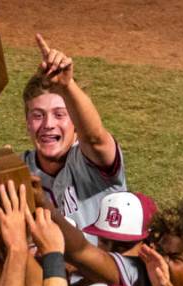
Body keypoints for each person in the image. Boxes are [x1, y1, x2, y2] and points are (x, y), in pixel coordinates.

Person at [22, 34, 126, 230]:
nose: (48, 124)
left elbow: (94, 139)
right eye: (37, 115)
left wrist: (67, 86)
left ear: (76, 123)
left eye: (60, 114)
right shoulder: (19, 170)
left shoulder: (94, 164)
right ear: (27, 122)